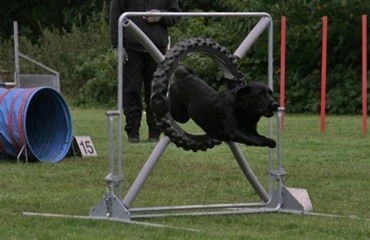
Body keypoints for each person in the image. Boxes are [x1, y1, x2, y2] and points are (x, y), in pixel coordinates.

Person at [109, 0, 181, 143]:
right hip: (131, 48)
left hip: (157, 48)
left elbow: (176, 15)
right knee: (131, 90)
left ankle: (154, 133)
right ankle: (133, 132)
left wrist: (161, 16)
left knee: (156, 91)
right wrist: (117, 45)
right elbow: (115, 16)